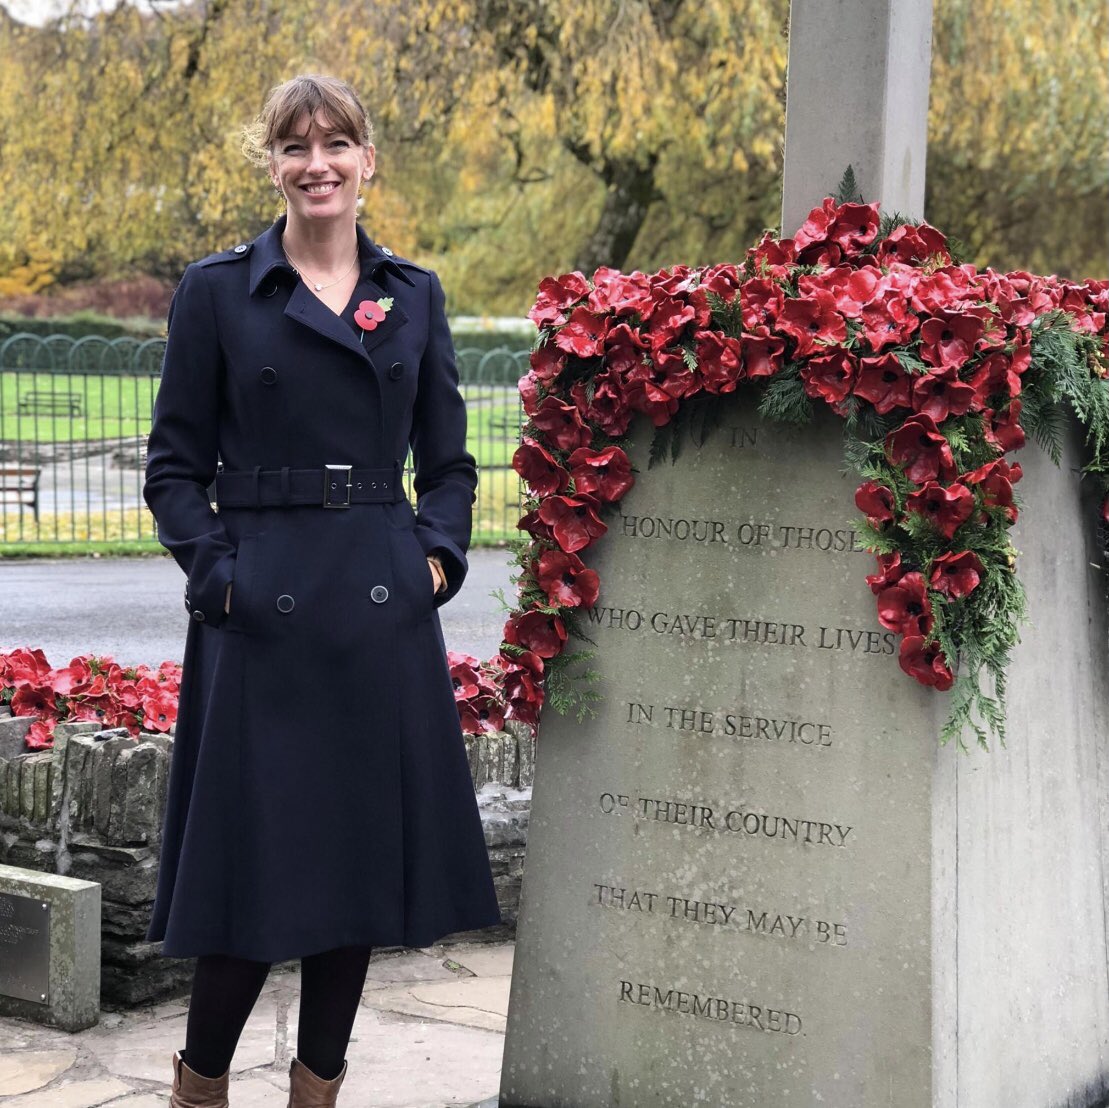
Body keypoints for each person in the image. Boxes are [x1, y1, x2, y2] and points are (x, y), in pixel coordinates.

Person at [142, 73, 502, 1108]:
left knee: (351, 883)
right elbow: (172, 466)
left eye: (335, 143)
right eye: (295, 146)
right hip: (260, 619)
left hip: (377, 616)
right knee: (252, 885)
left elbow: (448, 462)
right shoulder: (219, 291)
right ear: (273, 163)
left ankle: (317, 1092)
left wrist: (432, 556)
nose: (317, 163)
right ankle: (198, 1088)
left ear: (367, 160)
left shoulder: (413, 293)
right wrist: (218, 580)